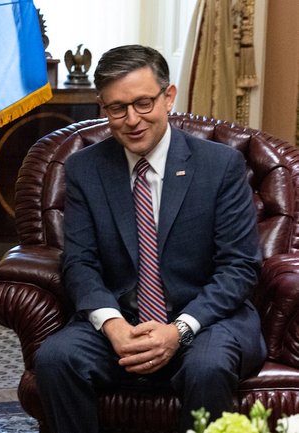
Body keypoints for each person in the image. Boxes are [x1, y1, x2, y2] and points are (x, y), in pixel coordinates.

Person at [34, 44, 266, 432]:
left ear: (168, 96)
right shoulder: (84, 169)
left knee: (207, 367)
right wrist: (112, 325)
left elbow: (239, 267)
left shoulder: (219, 165)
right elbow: (79, 263)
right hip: (123, 322)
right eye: (116, 108)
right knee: (56, 358)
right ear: (102, 107)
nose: (131, 120)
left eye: (143, 103)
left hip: (207, 320)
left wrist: (178, 330)